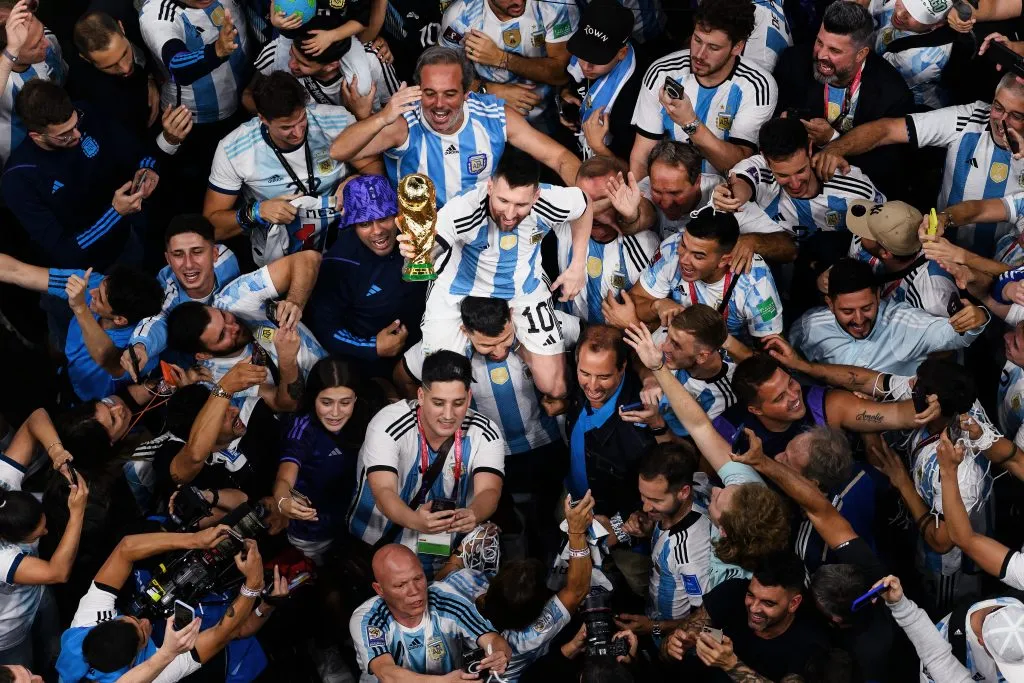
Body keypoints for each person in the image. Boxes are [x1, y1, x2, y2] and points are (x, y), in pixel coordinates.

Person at [409, 148, 592, 401]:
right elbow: (430, 249)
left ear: (536, 195)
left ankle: (518, 341)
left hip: (521, 288)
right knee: (444, 388)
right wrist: (416, 256)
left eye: (520, 205)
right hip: (459, 292)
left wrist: (577, 265)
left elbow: (584, 205)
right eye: (503, 201)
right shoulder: (464, 208)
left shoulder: (551, 200)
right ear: (490, 187)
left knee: (555, 387)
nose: (509, 214)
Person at [398, 298, 572, 556]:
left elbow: (591, 338)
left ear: (511, 317)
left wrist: (568, 397)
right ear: (464, 330)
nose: (499, 351)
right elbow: (402, 375)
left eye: (504, 340)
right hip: (487, 457)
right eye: (487, 345)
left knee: (552, 520)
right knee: (505, 526)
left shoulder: (538, 324)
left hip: (545, 447)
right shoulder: (441, 345)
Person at [329, 46, 581, 207]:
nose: (439, 104)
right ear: (419, 91)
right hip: (421, 244)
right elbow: (339, 151)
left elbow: (559, 158)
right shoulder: (403, 123)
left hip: (481, 235)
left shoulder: (494, 115)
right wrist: (383, 116)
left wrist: (587, 204)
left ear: (466, 93)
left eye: (450, 94)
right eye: (430, 93)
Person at [814, 71, 1024, 256]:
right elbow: (886, 130)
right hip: (941, 249)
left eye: (1015, 116)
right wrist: (837, 148)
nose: (1001, 120)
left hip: (1003, 266)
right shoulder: (969, 119)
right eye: (998, 108)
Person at [347, 351, 506, 568]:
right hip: (379, 548)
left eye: (458, 403)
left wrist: (474, 513)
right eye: (438, 403)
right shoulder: (387, 424)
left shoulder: (485, 432)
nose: (448, 415)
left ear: (469, 397)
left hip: (445, 556)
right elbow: (383, 491)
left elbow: (489, 491)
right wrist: (415, 521)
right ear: (421, 396)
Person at [54, 531, 269, 682]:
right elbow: (223, 634)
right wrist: (253, 585)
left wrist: (195, 540)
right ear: (132, 663)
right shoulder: (156, 675)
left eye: (133, 619)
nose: (145, 621)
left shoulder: (85, 622)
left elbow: (126, 548)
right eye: (143, 631)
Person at [204, 71, 364, 267]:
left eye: (302, 120)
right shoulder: (234, 149)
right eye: (286, 127)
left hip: (342, 237)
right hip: (281, 255)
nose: (297, 132)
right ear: (263, 119)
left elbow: (376, 170)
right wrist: (257, 212)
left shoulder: (337, 120)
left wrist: (355, 179)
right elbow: (212, 227)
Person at [1, 81, 159, 271]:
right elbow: (63, 250)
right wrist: (115, 213)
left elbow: (136, 150)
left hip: (127, 241)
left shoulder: (86, 112)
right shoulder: (19, 178)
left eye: (75, 124)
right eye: (64, 134)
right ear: (37, 136)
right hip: (79, 275)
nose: (76, 134)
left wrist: (147, 169)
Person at [434, 492, 594, 679]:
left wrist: (463, 550)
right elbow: (577, 590)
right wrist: (576, 531)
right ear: (540, 612)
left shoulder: (459, 587)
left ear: (487, 592)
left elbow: (441, 582)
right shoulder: (529, 637)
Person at [773, 0, 913, 200]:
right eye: (820, 42)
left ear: (861, 54)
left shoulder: (892, 93)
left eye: (835, 51)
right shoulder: (792, 63)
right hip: (792, 188)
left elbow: (887, 170)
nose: (821, 55)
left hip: (854, 197)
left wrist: (833, 140)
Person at [628, 0, 776, 182]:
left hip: (725, 198)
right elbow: (641, 157)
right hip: (667, 195)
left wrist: (690, 122)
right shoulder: (662, 71)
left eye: (713, 47)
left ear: (737, 47)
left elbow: (739, 166)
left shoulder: (757, 85)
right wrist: (642, 203)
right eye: (697, 40)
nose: (699, 54)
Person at [164, 250, 324, 408]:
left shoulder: (232, 298)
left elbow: (308, 258)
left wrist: (295, 302)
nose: (234, 326)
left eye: (224, 316)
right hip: (322, 406)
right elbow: (286, 404)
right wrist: (287, 362)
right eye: (222, 335)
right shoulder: (219, 379)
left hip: (333, 357)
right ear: (204, 355)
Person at [304, 175, 426, 378]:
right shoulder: (339, 264)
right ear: (353, 226)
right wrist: (372, 347)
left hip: (425, 349)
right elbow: (324, 326)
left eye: (384, 218)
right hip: (372, 369)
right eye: (365, 223)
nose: (377, 231)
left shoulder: (422, 234)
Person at [712, 349, 939, 457]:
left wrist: (931, 404)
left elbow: (896, 414)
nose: (793, 397)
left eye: (791, 384)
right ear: (755, 409)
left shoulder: (824, 404)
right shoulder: (728, 431)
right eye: (780, 397)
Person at [565, 324, 655, 595]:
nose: (592, 386)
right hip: (579, 507)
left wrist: (618, 526)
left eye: (603, 376)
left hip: (627, 537)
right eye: (585, 373)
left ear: (623, 367)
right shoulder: (574, 385)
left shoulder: (639, 421)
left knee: (641, 589)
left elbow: (652, 496)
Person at [789, 258, 989, 375]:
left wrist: (977, 318)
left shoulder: (904, 323)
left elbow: (952, 334)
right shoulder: (810, 327)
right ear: (830, 304)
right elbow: (792, 360)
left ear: (877, 296)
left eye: (867, 307)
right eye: (847, 311)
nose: (859, 319)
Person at [0, 257, 162, 400]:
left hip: (90, 405)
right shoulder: (90, 283)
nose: (92, 292)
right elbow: (17, 271)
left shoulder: (140, 350)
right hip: (67, 371)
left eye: (100, 298)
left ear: (120, 319)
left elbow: (107, 358)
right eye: (99, 286)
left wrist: (80, 307)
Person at [0, 407, 88, 671]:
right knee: (25, 670)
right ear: (11, 539)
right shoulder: (3, 559)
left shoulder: (4, 487)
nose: (46, 533)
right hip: (9, 630)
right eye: (38, 533)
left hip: (37, 596)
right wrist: (78, 512)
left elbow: (35, 417)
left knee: (54, 650)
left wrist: (57, 453)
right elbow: (57, 572)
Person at [628, 206, 786, 350]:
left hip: (731, 359)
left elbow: (771, 349)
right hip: (679, 346)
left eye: (698, 256)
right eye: (684, 245)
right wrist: (657, 305)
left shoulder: (755, 280)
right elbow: (635, 299)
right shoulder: (671, 249)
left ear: (724, 260)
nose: (683, 259)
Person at [713, 116, 885, 245]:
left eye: (801, 171)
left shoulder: (854, 189)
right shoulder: (757, 168)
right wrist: (729, 198)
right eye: (783, 176)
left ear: (810, 149)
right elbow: (742, 183)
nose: (795, 184)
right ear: (765, 158)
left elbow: (883, 233)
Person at [349, 543, 511, 679]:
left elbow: (492, 639)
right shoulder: (368, 618)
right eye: (400, 585)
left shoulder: (446, 598)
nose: (414, 591)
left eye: (418, 578)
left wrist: (499, 654)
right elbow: (387, 674)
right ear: (380, 589)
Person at [612, 444, 713, 641]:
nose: (646, 506)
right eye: (643, 496)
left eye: (656, 500)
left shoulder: (690, 554)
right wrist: (650, 531)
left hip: (675, 642)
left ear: (684, 492)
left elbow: (703, 620)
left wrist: (653, 628)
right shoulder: (689, 495)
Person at [122, 215, 242, 380]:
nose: (188, 264)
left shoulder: (227, 260)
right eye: (178, 254)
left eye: (197, 252)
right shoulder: (166, 295)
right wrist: (140, 347)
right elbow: (155, 321)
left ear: (214, 254)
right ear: (168, 259)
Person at [684, 551, 832, 681]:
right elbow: (676, 643)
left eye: (768, 603)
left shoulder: (810, 642)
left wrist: (731, 665)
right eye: (751, 595)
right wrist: (675, 642)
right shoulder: (732, 593)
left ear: (793, 603)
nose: (753, 608)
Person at [273, 357, 366, 564]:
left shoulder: (366, 416)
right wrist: (283, 501)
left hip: (355, 523)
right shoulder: (302, 429)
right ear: (313, 398)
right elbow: (284, 478)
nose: (335, 413)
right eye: (326, 402)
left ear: (356, 399)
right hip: (313, 534)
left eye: (345, 402)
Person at [554, 155, 659, 324]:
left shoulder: (645, 245)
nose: (592, 211)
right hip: (568, 332)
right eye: (584, 200)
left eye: (602, 201)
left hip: (618, 340)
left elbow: (658, 317)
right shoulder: (561, 224)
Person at [439, 0, 577, 128]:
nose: (519, 2)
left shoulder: (556, 5)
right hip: (486, 120)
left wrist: (501, 59)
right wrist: (489, 90)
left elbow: (562, 74)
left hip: (548, 117)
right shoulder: (461, 15)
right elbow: (441, 75)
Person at [70, 11, 191, 153]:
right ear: (86, 59)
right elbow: (130, 153)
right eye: (110, 66)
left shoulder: (141, 25)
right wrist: (168, 140)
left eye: (125, 53)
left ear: (121, 27)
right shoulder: (98, 97)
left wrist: (149, 78)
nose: (126, 68)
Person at [876, 574, 1024, 683]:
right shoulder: (952, 640)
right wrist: (900, 606)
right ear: (981, 640)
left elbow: (937, 657)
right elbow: (938, 658)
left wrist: (901, 606)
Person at [626, 304, 738, 442]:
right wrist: (649, 378)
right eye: (668, 336)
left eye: (676, 345)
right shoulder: (673, 334)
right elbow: (637, 358)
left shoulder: (723, 400)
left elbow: (694, 451)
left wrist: (657, 423)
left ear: (702, 356)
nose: (664, 346)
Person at [138, 0, 249, 127]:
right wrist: (216, 52)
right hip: (198, 119)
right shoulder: (156, 14)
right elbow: (178, 67)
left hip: (245, 96)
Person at [844, 199, 958, 318]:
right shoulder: (869, 244)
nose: (860, 233)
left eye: (867, 232)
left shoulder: (933, 300)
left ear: (885, 253)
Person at [559, 0, 640, 161]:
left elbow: (633, 171)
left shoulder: (633, 97)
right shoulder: (580, 62)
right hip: (573, 146)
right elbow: (569, 81)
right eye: (583, 53)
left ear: (622, 53)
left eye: (596, 58)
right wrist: (564, 96)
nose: (585, 65)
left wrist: (598, 146)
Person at [248, 27, 397, 112]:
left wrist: (361, 115)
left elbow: (397, 114)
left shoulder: (373, 60)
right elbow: (248, 96)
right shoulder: (275, 55)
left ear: (332, 65)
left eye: (303, 64)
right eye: (292, 54)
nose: (292, 65)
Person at [0, 0, 65, 166]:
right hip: (24, 156)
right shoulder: (6, 82)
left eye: (42, 33)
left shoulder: (48, 40)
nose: (46, 43)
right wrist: (11, 52)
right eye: (35, 46)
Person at [868, 0, 957, 109]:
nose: (900, 14)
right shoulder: (900, 13)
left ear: (938, 24)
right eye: (907, 3)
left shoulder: (919, 60)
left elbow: (873, 76)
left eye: (916, 15)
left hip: (909, 107)